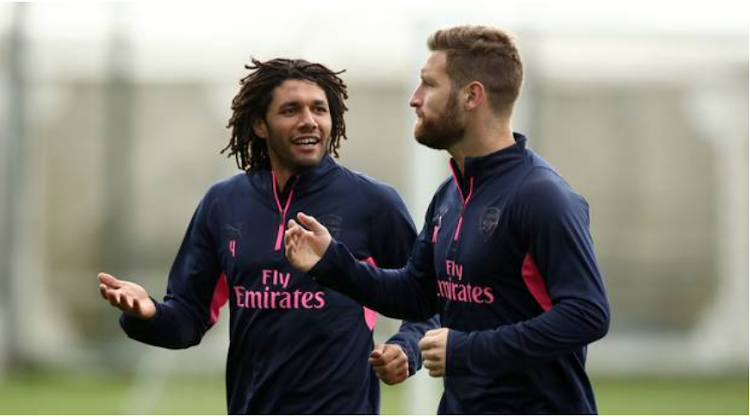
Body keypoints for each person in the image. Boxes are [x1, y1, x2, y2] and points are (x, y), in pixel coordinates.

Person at [285, 25, 610, 414]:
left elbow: (587, 314)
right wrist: (332, 262)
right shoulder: (450, 194)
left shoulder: (541, 196)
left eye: (428, 85)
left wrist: (466, 349)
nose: (414, 99)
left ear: (472, 95)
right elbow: (416, 293)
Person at [97, 58, 438, 414]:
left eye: (319, 109)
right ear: (260, 124)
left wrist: (407, 347)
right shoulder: (223, 203)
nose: (309, 120)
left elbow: (426, 300)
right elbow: (188, 320)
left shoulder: (373, 202)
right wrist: (146, 313)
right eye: (291, 110)